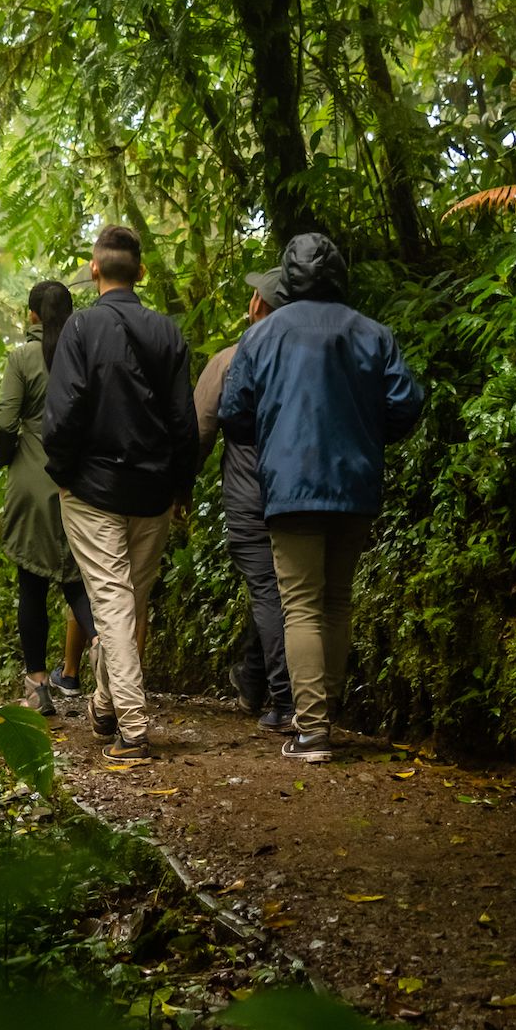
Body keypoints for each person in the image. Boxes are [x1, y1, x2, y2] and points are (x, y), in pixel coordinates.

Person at [217, 233, 424, 763]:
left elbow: (234, 410)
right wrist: (366, 437)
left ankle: (312, 730)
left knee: (301, 605)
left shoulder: (263, 336)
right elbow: (406, 404)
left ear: (287, 279)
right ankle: (324, 711)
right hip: (355, 486)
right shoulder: (372, 333)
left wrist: (271, 437)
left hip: (289, 488)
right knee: (336, 601)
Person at [43, 225, 199, 763]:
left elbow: (62, 414)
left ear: (93, 269)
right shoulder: (168, 332)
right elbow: (184, 420)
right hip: (153, 489)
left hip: (91, 488)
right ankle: (107, 705)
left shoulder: (81, 329)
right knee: (129, 600)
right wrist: (182, 485)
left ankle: (132, 726)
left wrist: (60, 473)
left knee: (112, 600)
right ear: (141, 272)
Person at [193, 266, 293, 732]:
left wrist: (180, 488)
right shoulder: (303, 359)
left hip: (249, 488)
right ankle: (255, 678)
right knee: (286, 588)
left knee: (268, 590)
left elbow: (200, 430)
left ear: (259, 306)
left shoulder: (231, 359)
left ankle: (286, 699)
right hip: (299, 487)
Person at [0, 281, 95, 716]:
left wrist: (8, 458)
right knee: (79, 582)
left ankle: (37, 688)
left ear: (31, 315)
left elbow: (3, 422)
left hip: (31, 487)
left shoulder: (22, 358)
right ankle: (109, 658)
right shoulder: (85, 355)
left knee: (31, 588)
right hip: (79, 484)